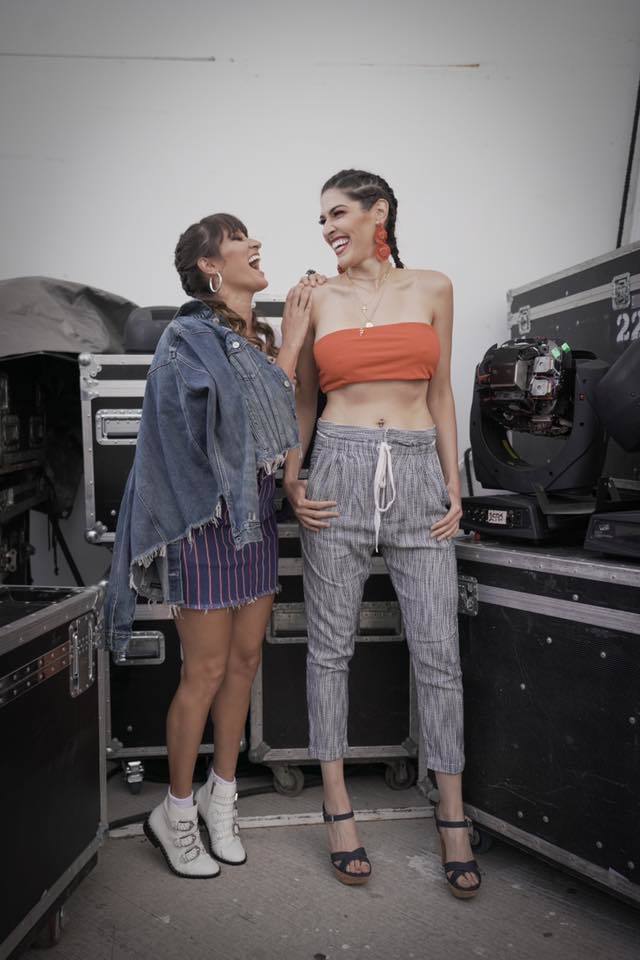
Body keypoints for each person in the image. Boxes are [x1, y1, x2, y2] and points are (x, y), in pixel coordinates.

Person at [283, 170, 481, 898]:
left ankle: (452, 816)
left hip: (418, 471)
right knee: (329, 648)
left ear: (379, 212)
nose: (328, 228)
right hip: (336, 470)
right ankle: (338, 808)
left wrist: (455, 482)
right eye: (321, 219)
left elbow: (441, 391)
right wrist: (293, 478)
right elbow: (304, 398)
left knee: (438, 652)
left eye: (338, 213)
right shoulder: (315, 298)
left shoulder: (434, 287)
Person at [105, 213, 311, 878]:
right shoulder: (186, 337)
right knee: (205, 671)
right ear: (210, 266)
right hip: (202, 522)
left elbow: (280, 431)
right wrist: (295, 344)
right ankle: (175, 812)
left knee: (246, 662)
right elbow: (244, 420)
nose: (256, 243)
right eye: (238, 238)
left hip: (253, 519)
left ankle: (222, 800)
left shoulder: (256, 340)